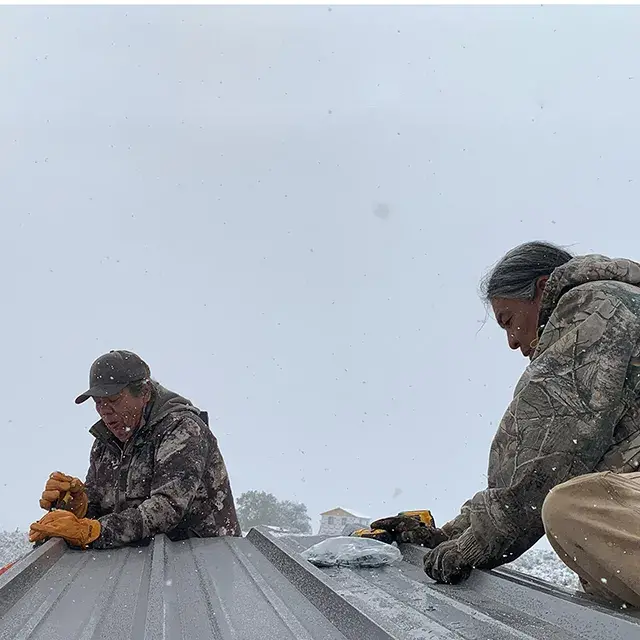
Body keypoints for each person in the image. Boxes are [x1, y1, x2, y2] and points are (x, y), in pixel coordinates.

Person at [372, 241, 640, 608]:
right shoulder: (621, 306)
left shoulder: (597, 307)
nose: (512, 341)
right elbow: (531, 466)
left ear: (544, 289)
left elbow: (542, 470)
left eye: (509, 321)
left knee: (572, 508)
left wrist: (465, 547)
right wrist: (445, 535)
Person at [30, 350, 241, 549]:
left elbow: (167, 509)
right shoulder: (104, 444)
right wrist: (78, 505)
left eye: (113, 400)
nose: (104, 411)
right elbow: (99, 504)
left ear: (145, 393)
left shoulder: (182, 428)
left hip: (206, 561)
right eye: (98, 402)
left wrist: (94, 531)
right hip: (135, 566)